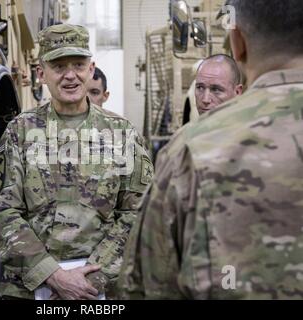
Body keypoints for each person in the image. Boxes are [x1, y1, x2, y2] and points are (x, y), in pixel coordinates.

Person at [118, 0, 303, 299]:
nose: (205, 98)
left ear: (237, 42)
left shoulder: (190, 149)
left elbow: (145, 285)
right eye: (201, 88)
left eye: (215, 89)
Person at [0, 24, 153, 300]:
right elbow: (1, 210)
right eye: (59, 66)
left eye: (78, 64)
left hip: (99, 290)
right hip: (30, 289)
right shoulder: (20, 132)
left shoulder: (121, 133)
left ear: (91, 69)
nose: (70, 75)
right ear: (42, 73)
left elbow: (138, 213)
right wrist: (52, 276)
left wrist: (89, 281)